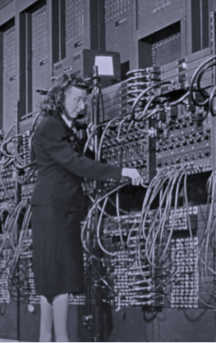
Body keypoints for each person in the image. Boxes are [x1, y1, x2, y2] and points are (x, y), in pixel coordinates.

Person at [30, 72, 143, 342]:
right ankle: (61, 340)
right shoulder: (50, 126)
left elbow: (80, 160)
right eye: (77, 99)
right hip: (53, 208)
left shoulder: (64, 129)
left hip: (60, 208)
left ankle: (48, 339)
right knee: (57, 279)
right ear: (59, 98)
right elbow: (76, 164)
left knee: (52, 281)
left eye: (85, 100)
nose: (83, 105)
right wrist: (121, 171)